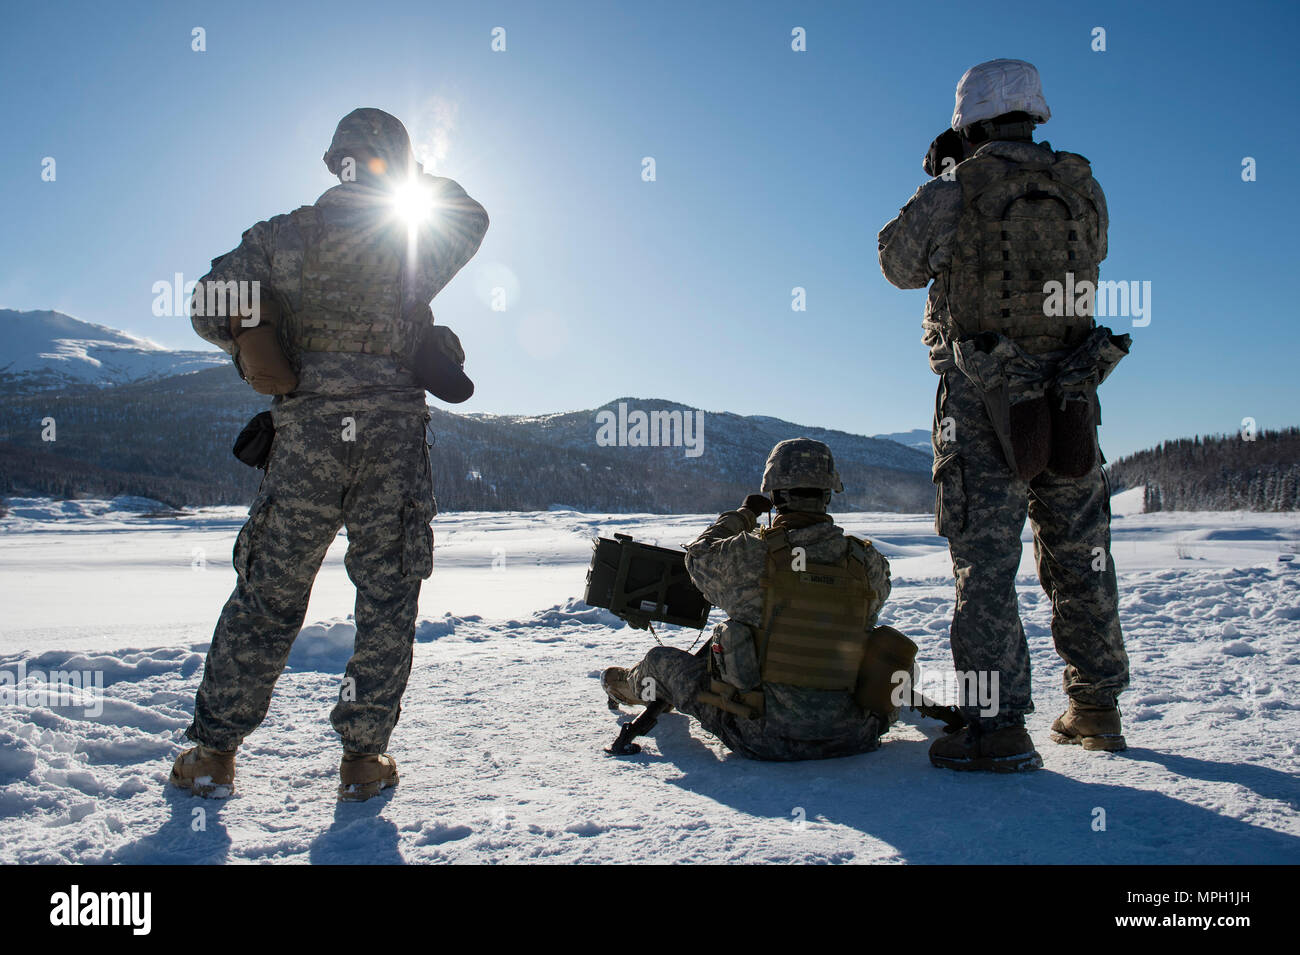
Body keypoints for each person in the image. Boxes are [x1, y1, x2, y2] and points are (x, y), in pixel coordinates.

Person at [170, 108, 489, 800]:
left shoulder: (281, 236)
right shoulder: (412, 235)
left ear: (333, 160)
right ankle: (363, 760)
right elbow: (471, 213)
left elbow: (202, 302)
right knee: (386, 595)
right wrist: (414, 179)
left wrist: (249, 326)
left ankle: (212, 751)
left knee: (269, 595)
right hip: (391, 443)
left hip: (307, 439)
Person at [878, 59, 1131, 773]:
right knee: (1082, 556)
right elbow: (1092, 257)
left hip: (984, 394)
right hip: (1072, 393)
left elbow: (896, 264)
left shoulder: (955, 190)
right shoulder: (1084, 189)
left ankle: (996, 727)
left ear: (970, 119)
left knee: (984, 566)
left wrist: (946, 177)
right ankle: (1096, 707)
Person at [602, 438, 898, 761]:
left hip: (763, 735)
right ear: (828, 494)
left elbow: (697, 557)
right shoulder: (867, 562)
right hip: (852, 732)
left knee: (660, 661)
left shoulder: (751, 555)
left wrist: (744, 515)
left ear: (775, 495)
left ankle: (623, 686)